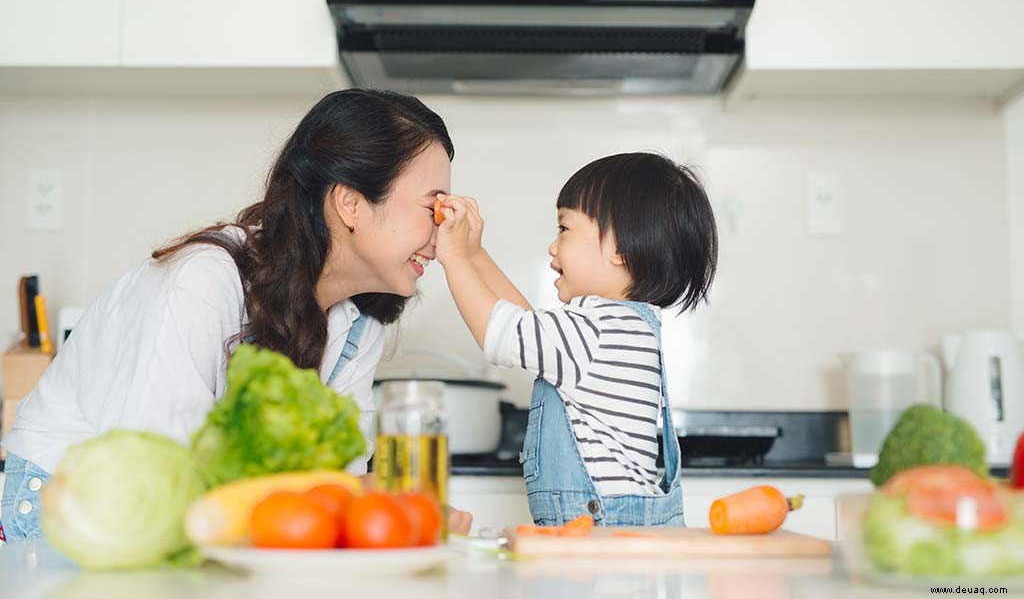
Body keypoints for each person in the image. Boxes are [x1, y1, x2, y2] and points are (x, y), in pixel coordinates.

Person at [1, 89, 472, 542]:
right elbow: (160, 476)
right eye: (433, 207)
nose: (443, 232)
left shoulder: (358, 324)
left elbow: (329, 489)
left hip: (194, 528)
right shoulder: (203, 280)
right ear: (350, 202)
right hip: (75, 522)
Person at [434, 152, 717, 526]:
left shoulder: (594, 332)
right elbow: (530, 324)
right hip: (623, 542)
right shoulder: (624, 325)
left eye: (564, 229)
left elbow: (501, 332)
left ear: (621, 250)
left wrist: (453, 257)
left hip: (600, 547)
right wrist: (476, 255)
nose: (553, 246)